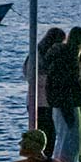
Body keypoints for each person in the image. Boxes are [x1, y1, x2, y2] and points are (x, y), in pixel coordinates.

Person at [44, 27, 81, 162]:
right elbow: (68, 84)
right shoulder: (69, 59)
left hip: (58, 103)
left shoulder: (58, 56)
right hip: (67, 104)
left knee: (63, 141)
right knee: (70, 144)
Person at [25, 27, 66, 155]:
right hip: (44, 100)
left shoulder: (34, 53)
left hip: (36, 100)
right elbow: (33, 76)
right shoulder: (41, 56)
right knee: (48, 135)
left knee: (44, 134)